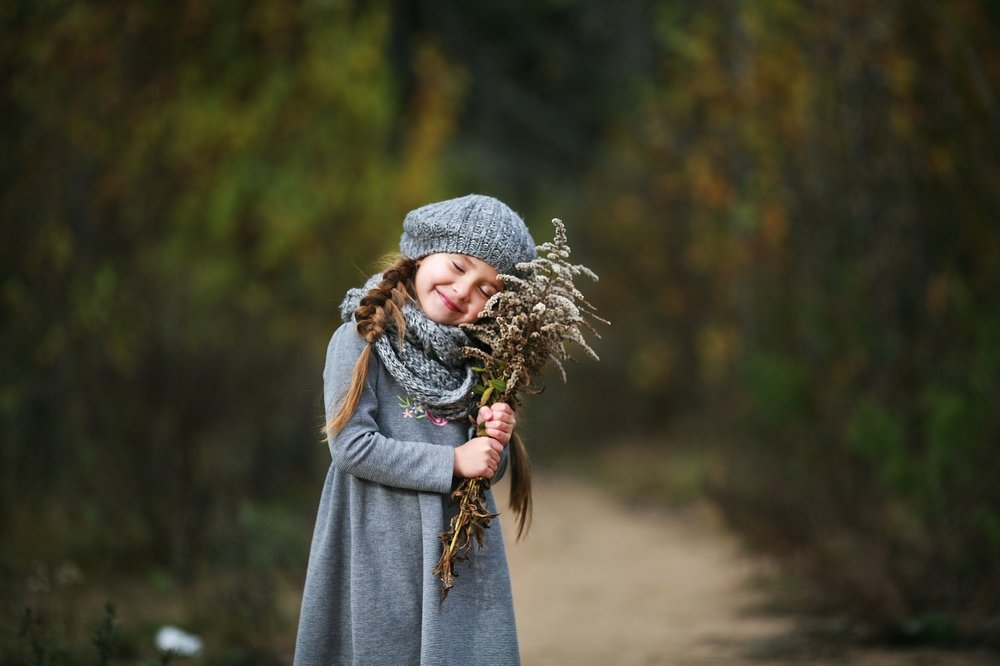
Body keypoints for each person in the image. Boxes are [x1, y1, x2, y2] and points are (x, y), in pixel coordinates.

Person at [293, 194, 536, 665]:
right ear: (424, 251)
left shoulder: (480, 363)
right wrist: (453, 461)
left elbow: (484, 471)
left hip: (454, 554)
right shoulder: (361, 338)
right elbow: (351, 447)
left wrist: (493, 441)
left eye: (488, 290)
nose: (465, 290)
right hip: (377, 547)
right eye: (459, 265)